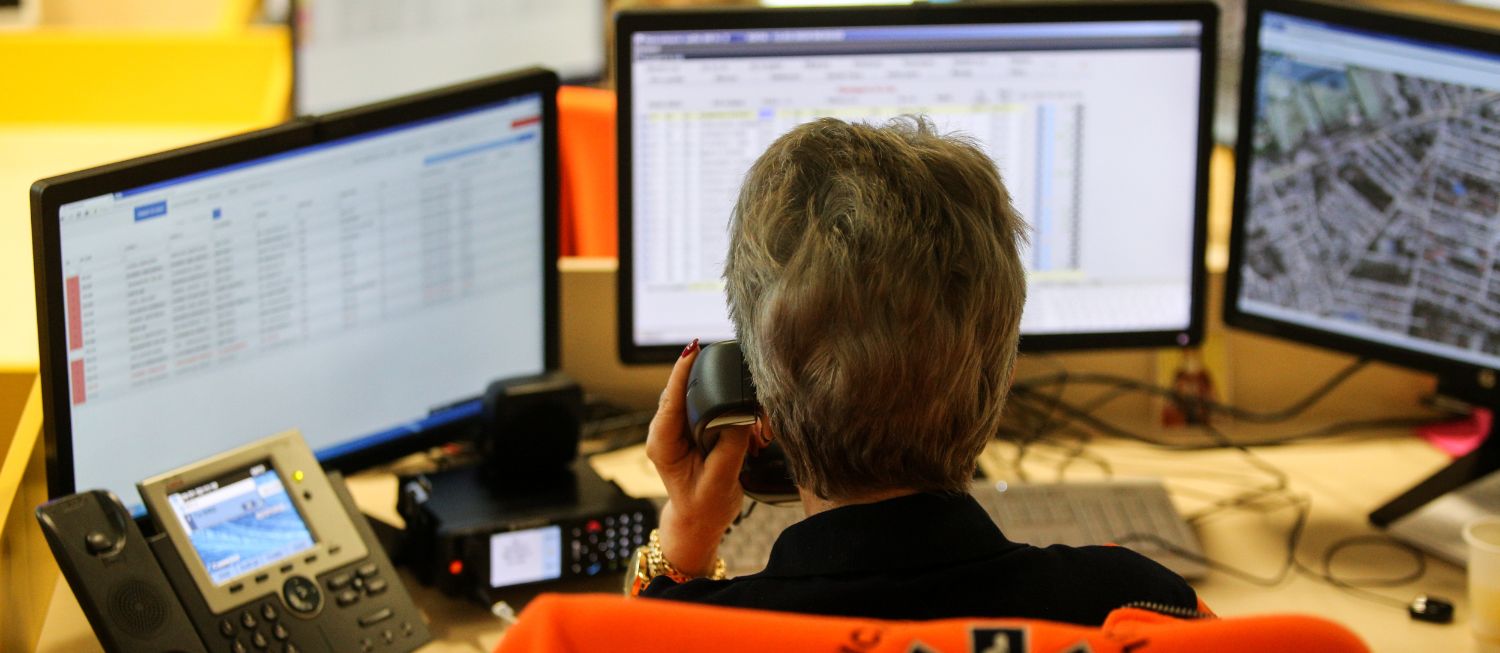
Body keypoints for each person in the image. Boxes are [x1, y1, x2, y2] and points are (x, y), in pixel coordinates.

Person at [631, 117, 1199, 625]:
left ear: (758, 394)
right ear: (999, 377)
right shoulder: (1138, 608)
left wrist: (689, 532)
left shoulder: (680, 635)